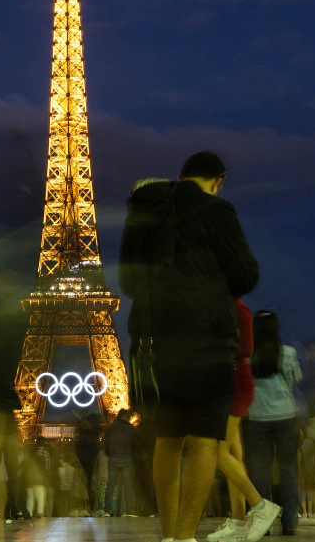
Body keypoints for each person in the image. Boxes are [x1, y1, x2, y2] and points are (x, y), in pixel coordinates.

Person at [120, 152, 276, 542]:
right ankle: (187, 536)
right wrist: (211, 291)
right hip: (207, 340)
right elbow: (246, 273)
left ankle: (169, 534)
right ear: (218, 181)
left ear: (180, 176)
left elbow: (127, 280)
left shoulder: (146, 208)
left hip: (159, 341)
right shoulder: (219, 211)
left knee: (167, 441)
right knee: (206, 439)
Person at [208, 300, 275, 541]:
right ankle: (239, 522)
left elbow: (245, 348)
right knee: (234, 456)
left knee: (218, 452)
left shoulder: (238, 308)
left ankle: (260, 506)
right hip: (224, 382)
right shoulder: (223, 307)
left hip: (234, 383)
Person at [244, 310, 301, 535]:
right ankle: (290, 522)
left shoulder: (249, 356)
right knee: (288, 470)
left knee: (259, 472)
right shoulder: (288, 352)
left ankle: (263, 522)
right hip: (286, 416)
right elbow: (295, 379)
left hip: (256, 417)